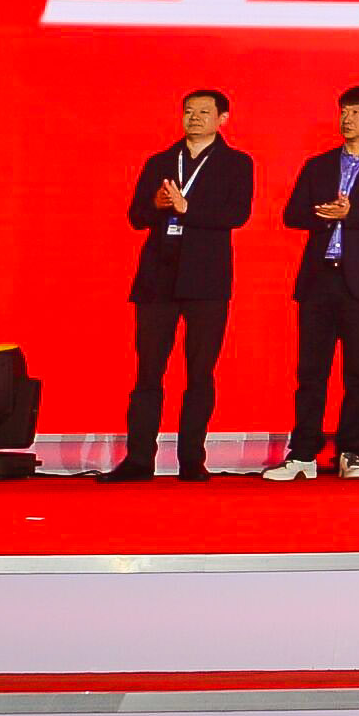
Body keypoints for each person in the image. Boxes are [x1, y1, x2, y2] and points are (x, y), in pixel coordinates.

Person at [265, 84, 359, 481]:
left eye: (357, 112)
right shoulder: (319, 165)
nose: (347, 119)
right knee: (311, 371)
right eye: (344, 111)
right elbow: (293, 214)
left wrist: (352, 213)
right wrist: (326, 213)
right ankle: (303, 454)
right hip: (319, 277)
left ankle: (353, 450)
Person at [108, 87, 253, 482]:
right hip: (158, 278)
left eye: (204, 112)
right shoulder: (160, 161)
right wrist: (156, 206)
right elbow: (136, 216)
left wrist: (189, 209)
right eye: (189, 111)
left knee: (200, 373)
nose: (195, 118)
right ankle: (139, 459)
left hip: (206, 280)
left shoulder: (237, 163)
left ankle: (192, 458)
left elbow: (237, 214)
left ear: (223, 118)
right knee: (148, 373)